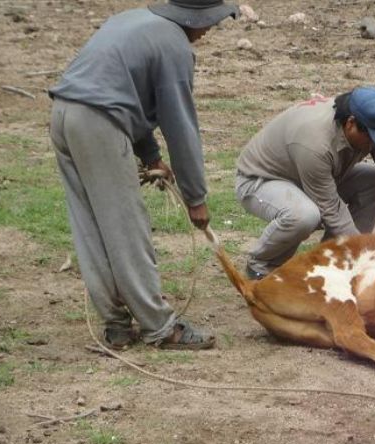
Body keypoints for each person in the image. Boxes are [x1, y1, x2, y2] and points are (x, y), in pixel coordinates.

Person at [48, 0, 240, 350]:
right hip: (98, 124)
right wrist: (195, 197)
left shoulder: (135, 21)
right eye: (210, 21)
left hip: (63, 115)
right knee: (126, 229)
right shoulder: (175, 47)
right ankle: (161, 328)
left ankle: (117, 326)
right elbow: (180, 126)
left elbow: (122, 91)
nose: (211, 29)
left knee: (91, 227)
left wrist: (150, 155)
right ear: (194, 18)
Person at [235, 86, 375, 279]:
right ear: (350, 123)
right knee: (304, 215)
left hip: (312, 177)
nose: (374, 144)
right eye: (370, 137)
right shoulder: (315, 143)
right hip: (262, 180)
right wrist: (364, 251)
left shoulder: (370, 123)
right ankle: (261, 265)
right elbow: (330, 207)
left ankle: (333, 261)